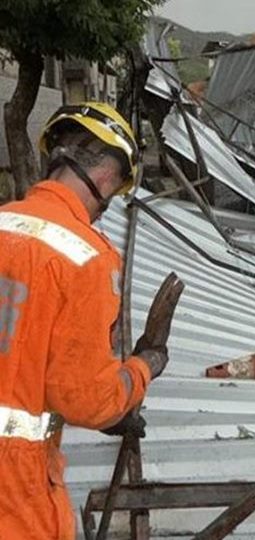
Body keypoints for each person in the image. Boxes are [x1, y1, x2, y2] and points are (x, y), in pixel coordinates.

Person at [0, 102, 169, 538]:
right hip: (14, 488)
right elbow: (86, 399)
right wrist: (144, 367)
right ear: (108, 177)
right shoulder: (88, 257)